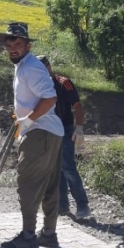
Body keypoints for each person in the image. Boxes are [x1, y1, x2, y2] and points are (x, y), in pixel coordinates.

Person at [0, 22, 64, 248]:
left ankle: (27, 237)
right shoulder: (23, 66)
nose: (13, 48)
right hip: (50, 132)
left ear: (28, 45)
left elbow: (50, 97)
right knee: (49, 186)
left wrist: (30, 120)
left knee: (28, 183)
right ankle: (48, 234)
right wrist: (23, 116)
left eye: (18, 44)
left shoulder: (31, 67)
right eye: (10, 45)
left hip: (39, 133)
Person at [38, 56, 91, 221]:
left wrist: (79, 128)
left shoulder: (63, 83)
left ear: (49, 67)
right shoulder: (39, 86)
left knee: (68, 167)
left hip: (65, 129)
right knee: (55, 169)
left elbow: (78, 106)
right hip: (48, 130)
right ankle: (62, 207)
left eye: (44, 69)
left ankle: (83, 205)